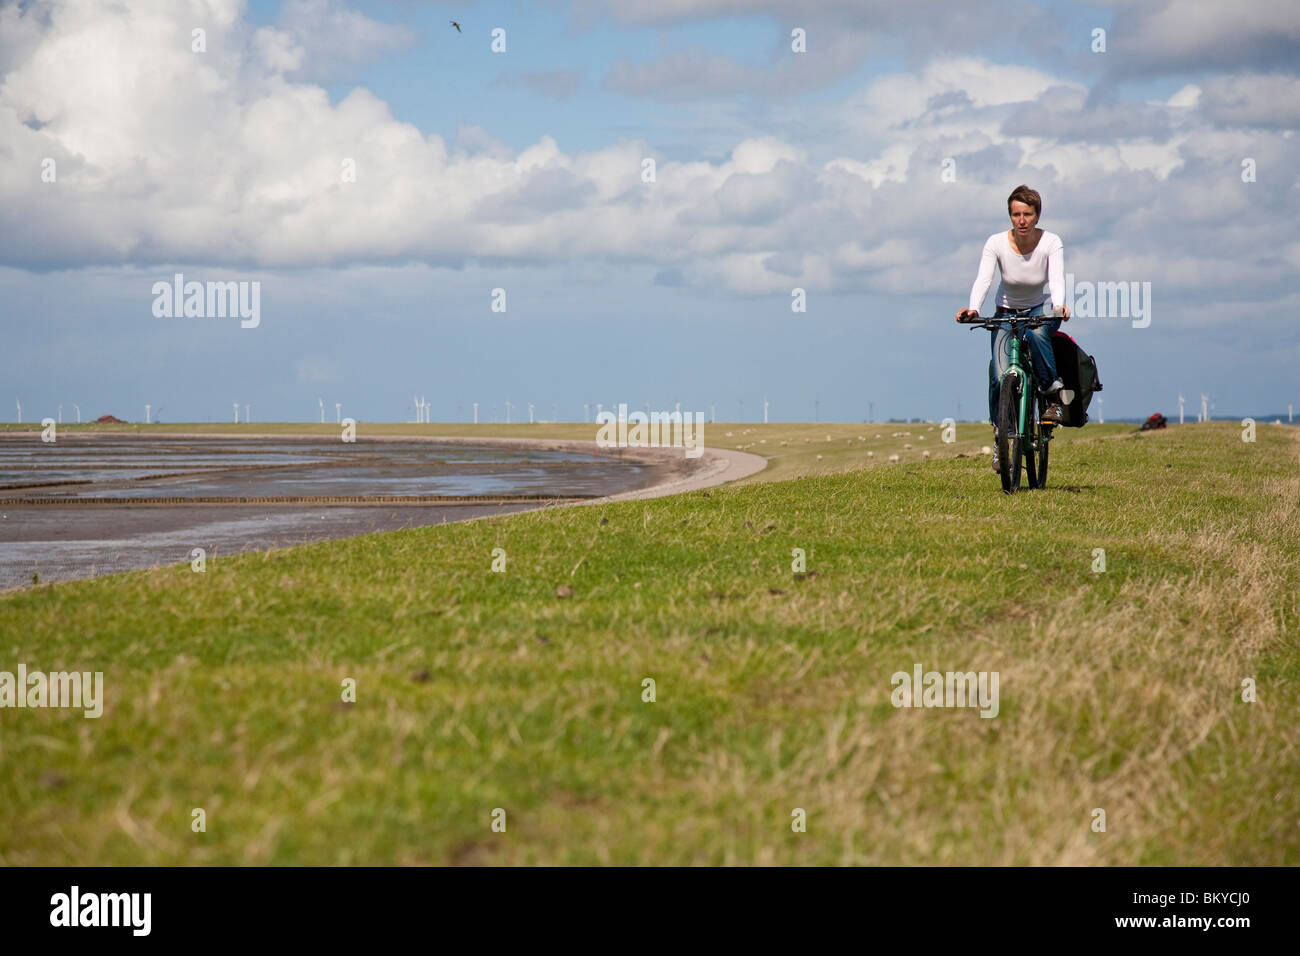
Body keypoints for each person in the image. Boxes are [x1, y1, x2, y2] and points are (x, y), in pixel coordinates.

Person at [956, 185, 1071, 471]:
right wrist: (973, 308)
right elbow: (984, 279)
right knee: (998, 375)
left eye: (1027, 214)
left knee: (1036, 333)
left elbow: (1056, 278)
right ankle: (1000, 438)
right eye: (1016, 214)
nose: (1021, 220)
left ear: (1037, 215)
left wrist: (1059, 305)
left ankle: (1052, 394)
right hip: (1005, 311)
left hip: (1041, 308)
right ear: (1010, 215)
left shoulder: (1051, 242)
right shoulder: (995, 243)